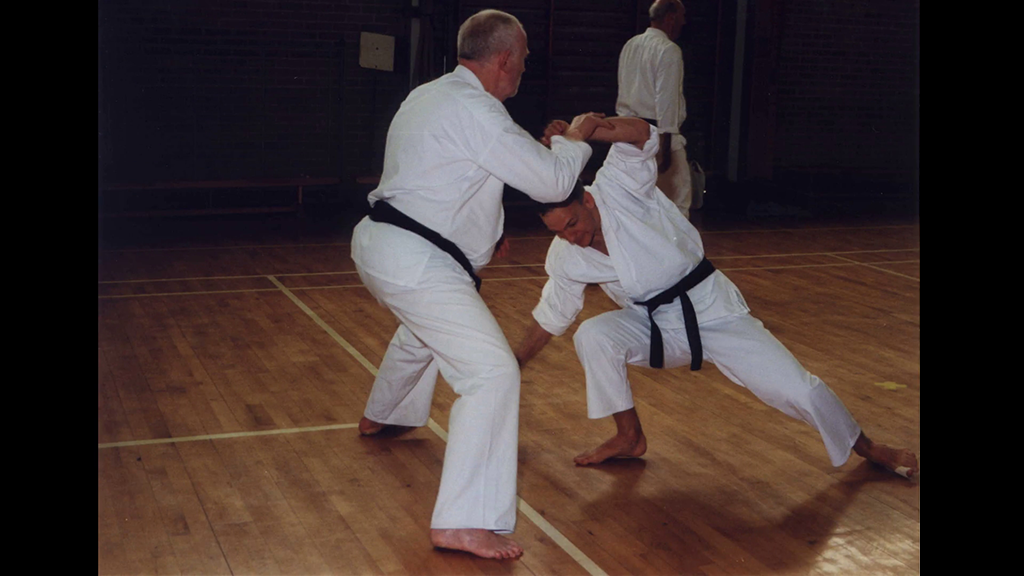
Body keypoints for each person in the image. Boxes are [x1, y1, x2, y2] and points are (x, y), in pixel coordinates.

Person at [515, 115, 919, 480]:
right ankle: (629, 436)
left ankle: (868, 448)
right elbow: (552, 314)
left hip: (714, 311)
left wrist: (586, 130)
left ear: (587, 200)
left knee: (799, 390)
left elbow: (641, 134)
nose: (571, 237)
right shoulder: (566, 256)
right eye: (558, 232)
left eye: (572, 223)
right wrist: (513, 364)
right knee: (594, 335)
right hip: (656, 325)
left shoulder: (618, 187)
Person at [349, 9, 613, 560]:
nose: (525, 69)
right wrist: (576, 137)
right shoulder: (477, 109)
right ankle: (463, 522)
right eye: (524, 59)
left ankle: (384, 413)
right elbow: (553, 181)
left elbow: (449, 173)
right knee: (492, 373)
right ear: (504, 59)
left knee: (424, 331)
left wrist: (485, 234)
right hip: (416, 258)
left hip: (389, 244)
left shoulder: (430, 95)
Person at [616, 0, 694, 218]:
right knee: (678, 204)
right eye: (682, 17)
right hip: (657, 136)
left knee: (634, 204)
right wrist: (665, 147)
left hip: (626, 134)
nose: (684, 23)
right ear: (671, 18)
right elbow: (666, 100)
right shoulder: (669, 50)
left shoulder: (630, 45)